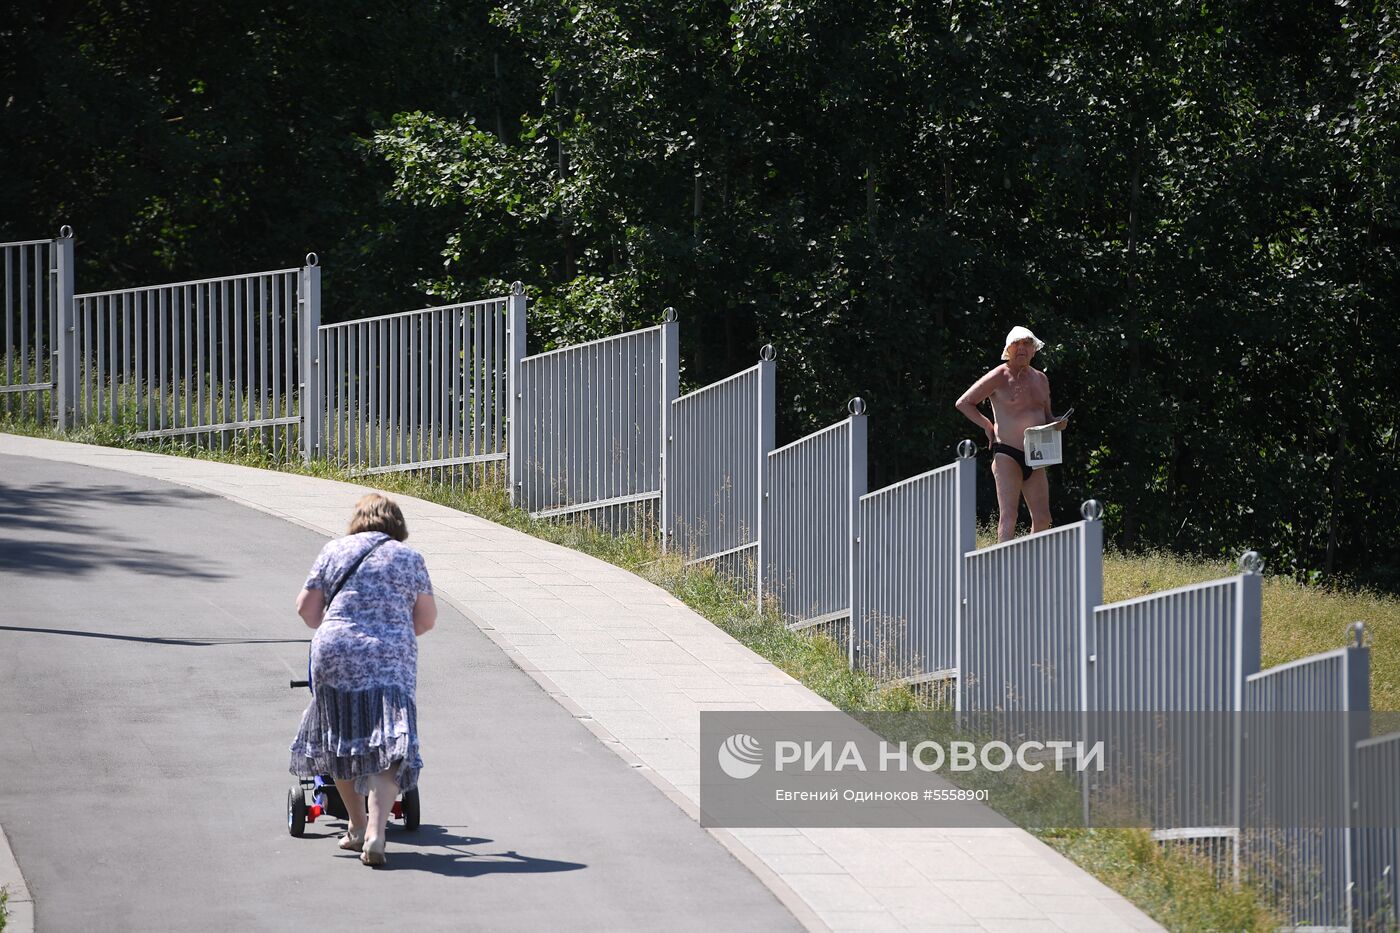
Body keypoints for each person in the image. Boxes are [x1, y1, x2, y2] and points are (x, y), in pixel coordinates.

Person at [289, 493, 437, 866]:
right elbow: (426, 620)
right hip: (390, 657)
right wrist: (389, 634)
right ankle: (376, 831)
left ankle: (355, 826)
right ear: (397, 524)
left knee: (337, 738)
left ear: (357, 520)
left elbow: (306, 609)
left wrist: (339, 629)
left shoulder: (334, 549)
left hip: (335, 650)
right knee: (389, 745)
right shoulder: (410, 558)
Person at [955, 326, 1068, 543]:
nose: (1022, 348)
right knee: (1009, 517)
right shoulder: (999, 375)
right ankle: (1000, 573)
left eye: (1027, 344)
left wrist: (1057, 423)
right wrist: (988, 426)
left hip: (1035, 455)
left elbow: (1046, 416)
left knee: (1043, 519)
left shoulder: (1041, 379)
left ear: (1034, 349)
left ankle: (1032, 568)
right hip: (1007, 452)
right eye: (1017, 344)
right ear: (1009, 349)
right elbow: (964, 403)